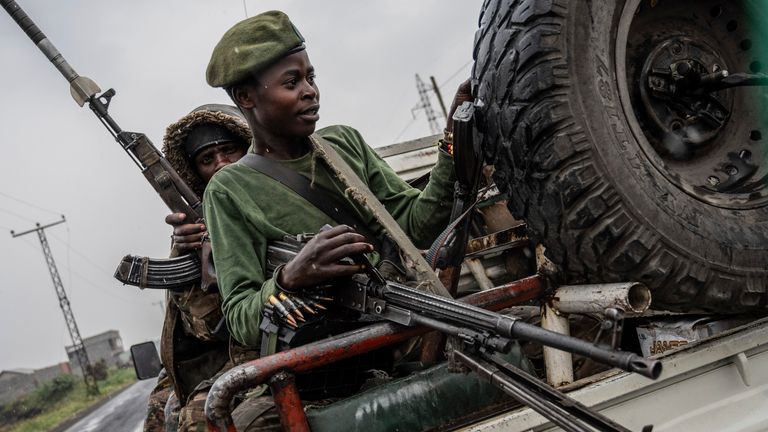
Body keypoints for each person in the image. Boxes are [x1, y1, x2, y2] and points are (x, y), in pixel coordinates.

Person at [201, 10, 472, 428]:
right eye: (292, 83)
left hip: (396, 337)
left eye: (311, 77)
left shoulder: (342, 144)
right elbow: (240, 316)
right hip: (319, 375)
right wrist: (290, 278)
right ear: (246, 98)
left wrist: (454, 142)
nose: (310, 92)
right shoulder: (229, 190)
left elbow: (415, 223)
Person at [142, 103, 251, 432]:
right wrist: (189, 254)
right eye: (207, 159)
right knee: (161, 410)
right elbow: (206, 327)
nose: (221, 164)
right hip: (218, 353)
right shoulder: (196, 233)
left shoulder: (283, 191)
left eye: (229, 150)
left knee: (199, 416)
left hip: (264, 344)